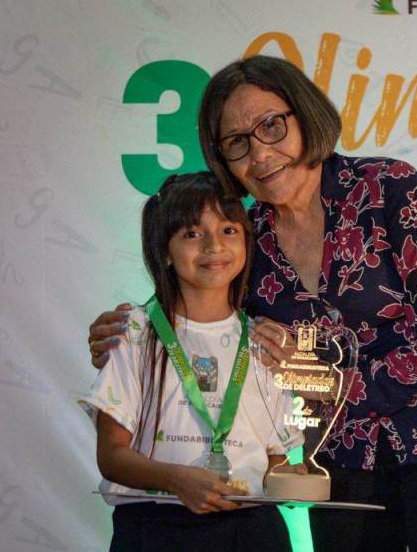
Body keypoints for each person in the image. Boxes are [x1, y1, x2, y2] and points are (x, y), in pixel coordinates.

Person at [88, 55, 417, 551]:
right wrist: (133, 332)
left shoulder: (390, 189)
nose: (260, 154)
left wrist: (332, 385)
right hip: (341, 448)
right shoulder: (247, 237)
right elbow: (196, 317)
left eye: (271, 126)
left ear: (305, 116)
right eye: (237, 142)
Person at [80, 172, 304, 552]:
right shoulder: (133, 332)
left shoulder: (264, 341)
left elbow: (273, 459)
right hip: (156, 528)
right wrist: (176, 479)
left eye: (229, 230)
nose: (214, 246)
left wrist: (292, 479)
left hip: (253, 531)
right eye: (192, 234)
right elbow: (112, 456)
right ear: (165, 251)